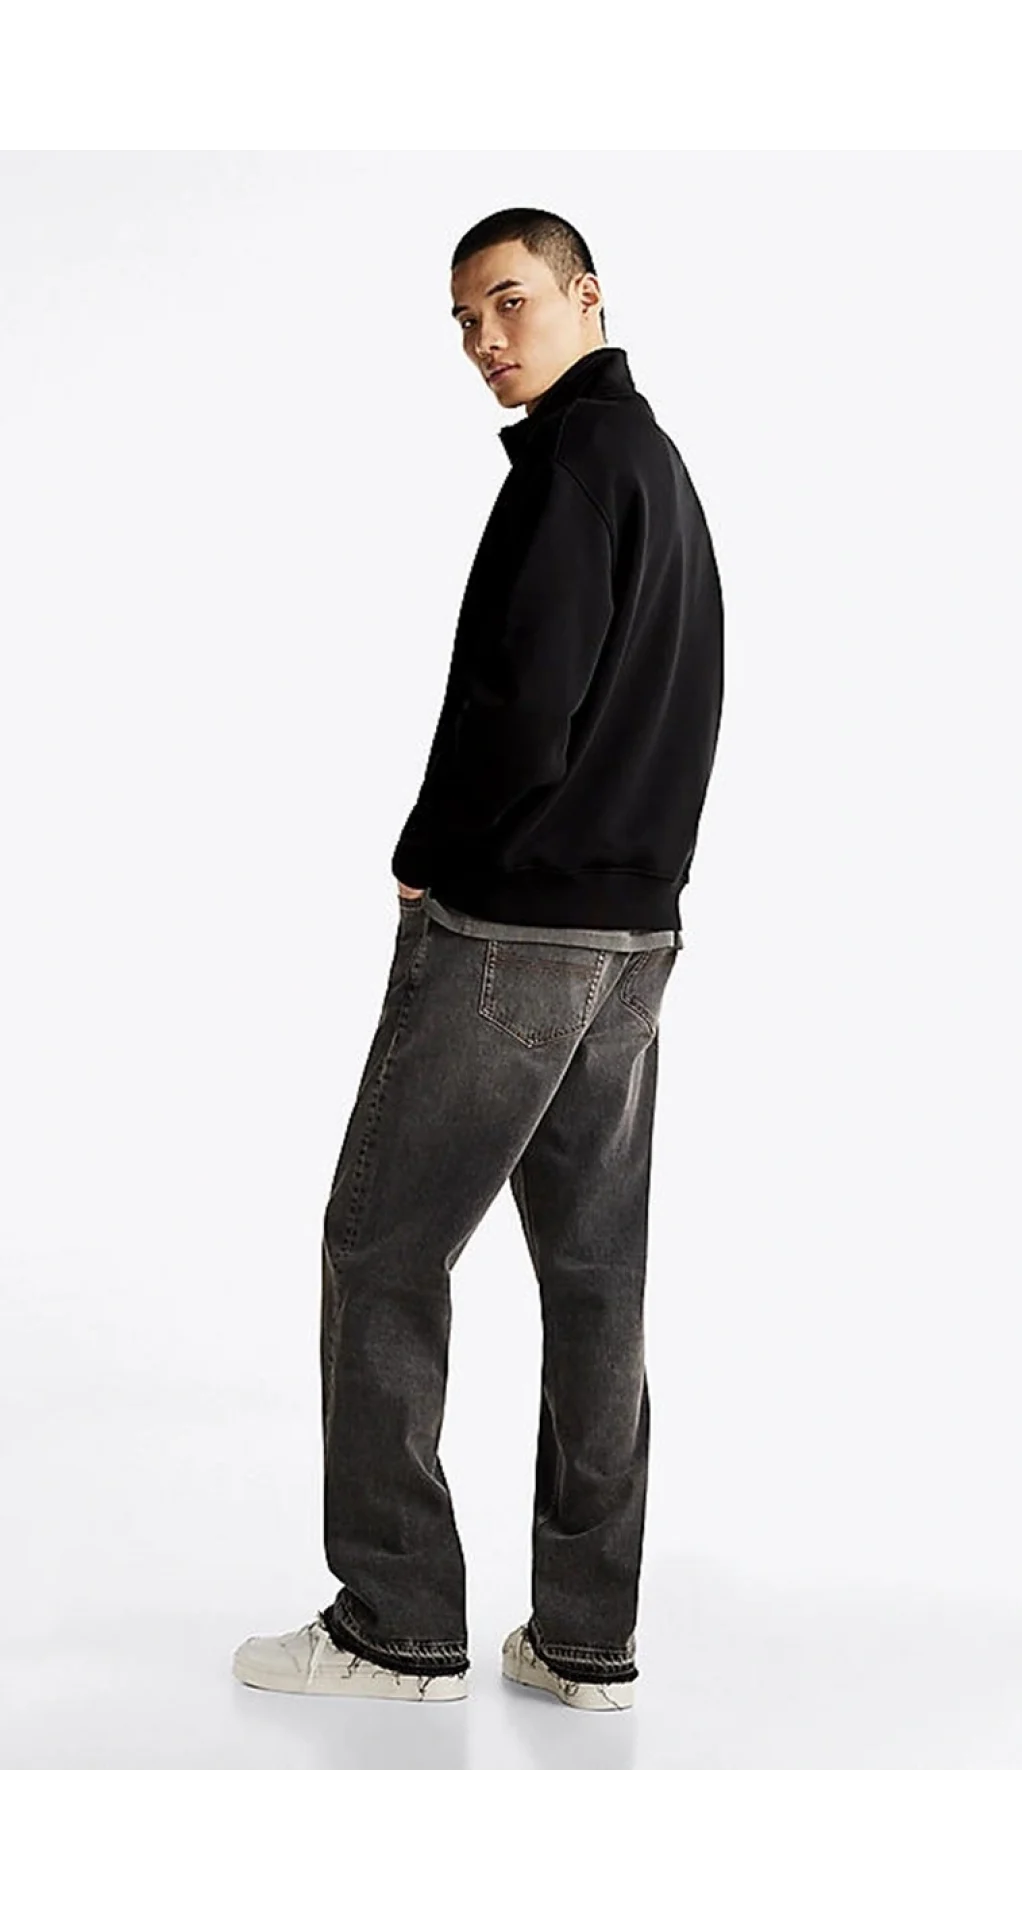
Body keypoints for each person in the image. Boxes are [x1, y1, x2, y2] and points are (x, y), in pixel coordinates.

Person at [232, 206, 724, 1711]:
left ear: (586, 294)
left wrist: (430, 849)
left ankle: (396, 1626)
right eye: (463, 321)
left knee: (382, 1248)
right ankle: (586, 1641)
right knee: (596, 1283)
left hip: (512, 931)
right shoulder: (658, 468)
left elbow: (524, 709)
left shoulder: (571, 471)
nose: (484, 342)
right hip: (633, 935)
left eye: (509, 303)